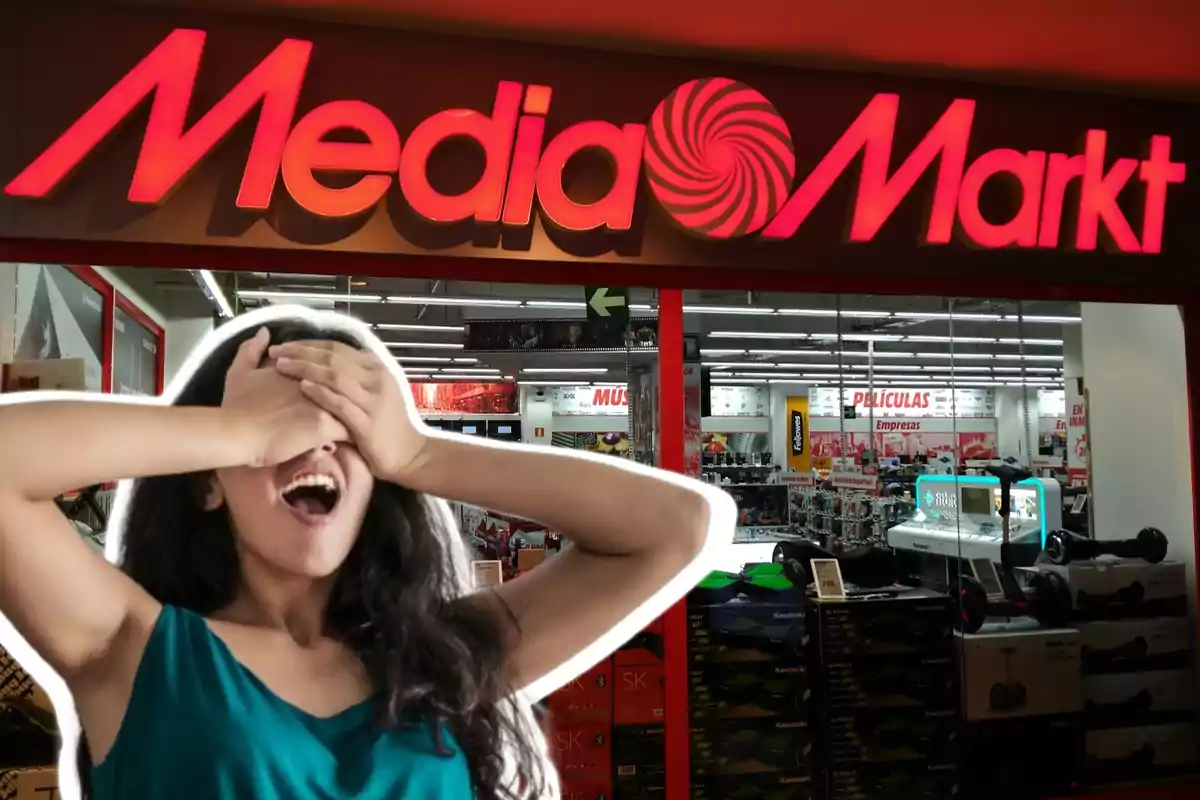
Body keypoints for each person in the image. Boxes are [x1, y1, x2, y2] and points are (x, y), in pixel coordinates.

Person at [0, 307, 735, 800]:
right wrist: (238, 433)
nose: (315, 442)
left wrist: (415, 449)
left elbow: (674, 526)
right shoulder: (134, 652)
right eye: (285, 425)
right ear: (207, 487)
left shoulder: (441, 659)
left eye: (343, 430)